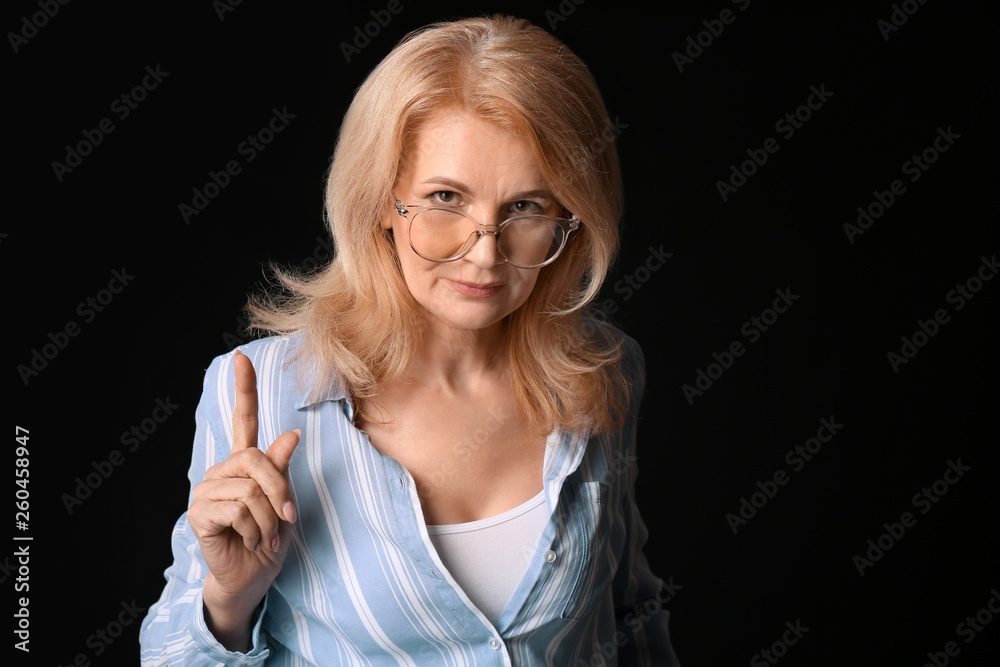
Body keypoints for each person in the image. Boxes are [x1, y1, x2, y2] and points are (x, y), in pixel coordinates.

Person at [140, 14, 680, 666]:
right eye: (446, 197)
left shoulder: (608, 371)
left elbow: (629, 612)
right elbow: (168, 655)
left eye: (526, 207)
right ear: (379, 202)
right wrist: (229, 598)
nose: (485, 254)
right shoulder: (260, 391)